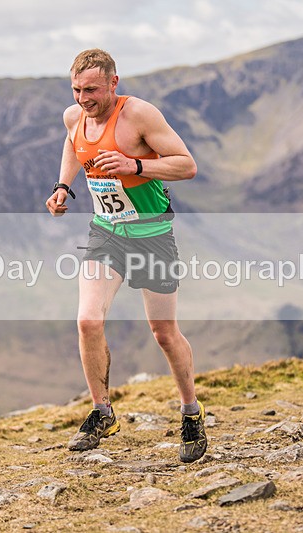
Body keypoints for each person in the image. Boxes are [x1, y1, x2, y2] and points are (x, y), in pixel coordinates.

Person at [45, 49, 207, 463]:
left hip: (152, 234)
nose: (84, 98)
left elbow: (187, 167)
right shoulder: (73, 117)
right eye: (77, 90)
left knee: (164, 333)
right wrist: (64, 186)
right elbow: (72, 144)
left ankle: (191, 411)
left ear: (114, 84)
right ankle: (102, 413)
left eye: (93, 90)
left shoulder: (139, 115)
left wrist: (133, 164)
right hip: (107, 233)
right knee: (87, 320)